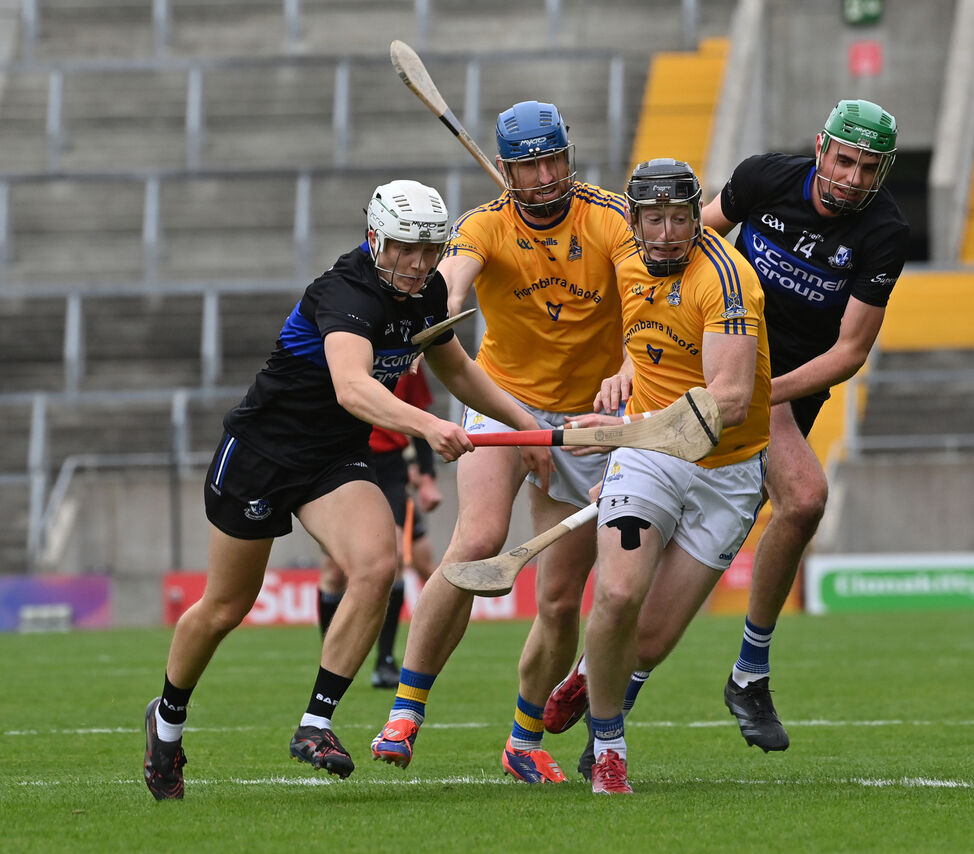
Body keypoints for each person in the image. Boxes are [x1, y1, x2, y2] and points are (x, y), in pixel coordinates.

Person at [141, 179, 551, 800]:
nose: (418, 264)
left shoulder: (429, 291)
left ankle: (316, 725)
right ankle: (167, 721)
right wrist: (431, 426)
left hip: (332, 459)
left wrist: (528, 428)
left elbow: (457, 368)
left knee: (376, 565)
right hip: (261, 455)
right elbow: (352, 388)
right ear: (375, 239)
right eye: (405, 249)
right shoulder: (344, 294)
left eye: (430, 249)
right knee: (226, 606)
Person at [545, 100, 908, 768]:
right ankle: (712, 687)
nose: (853, 179)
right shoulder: (767, 177)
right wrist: (637, 358)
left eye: (869, 168)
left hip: (777, 387)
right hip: (708, 358)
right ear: (823, 149)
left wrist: (754, 393)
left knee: (796, 508)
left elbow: (850, 352)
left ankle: (743, 672)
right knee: (801, 497)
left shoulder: (884, 232)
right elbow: (678, 245)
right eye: (845, 160)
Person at [368, 101, 632, 784]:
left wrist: (630, 366)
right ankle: (405, 712)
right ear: (506, 168)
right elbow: (453, 278)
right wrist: (434, 321)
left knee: (556, 600)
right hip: (501, 403)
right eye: (528, 164)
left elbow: (647, 296)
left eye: (553, 160)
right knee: (477, 542)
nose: (544, 177)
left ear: (569, 155)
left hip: (585, 423)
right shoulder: (483, 225)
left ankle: (523, 739)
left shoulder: (610, 217)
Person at [563, 158, 772, 794]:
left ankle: (591, 670)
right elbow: (638, 320)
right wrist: (625, 370)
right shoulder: (622, 257)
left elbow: (730, 400)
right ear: (635, 219)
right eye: (653, 217)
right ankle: (608, 746)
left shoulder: (728, 281)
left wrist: (625, 430)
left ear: (694, 215)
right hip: (650, 455)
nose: (667, 232)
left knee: (647, 643)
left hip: (727, 471)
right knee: (619, 596)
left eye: (679, 217)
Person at [316, 364, 443, 690]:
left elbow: (421, 415)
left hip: (389, 466)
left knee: (397, 559)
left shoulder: (408, 358)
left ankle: (384, 660)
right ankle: (330, 656)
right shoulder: (340, 348)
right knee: (334, 571)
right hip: (341, 459)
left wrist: (427, 477)